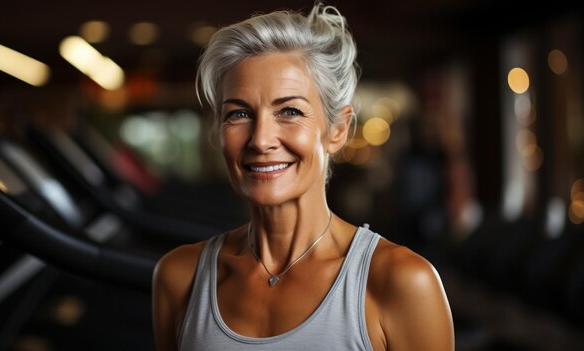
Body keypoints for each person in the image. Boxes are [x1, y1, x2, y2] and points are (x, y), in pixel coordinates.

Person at [152, 3, 454, 350]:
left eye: (290, 111)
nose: (261, 139)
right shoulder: (178, 277)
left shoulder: (401, 283)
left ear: (338, 130)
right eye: (238, 114)